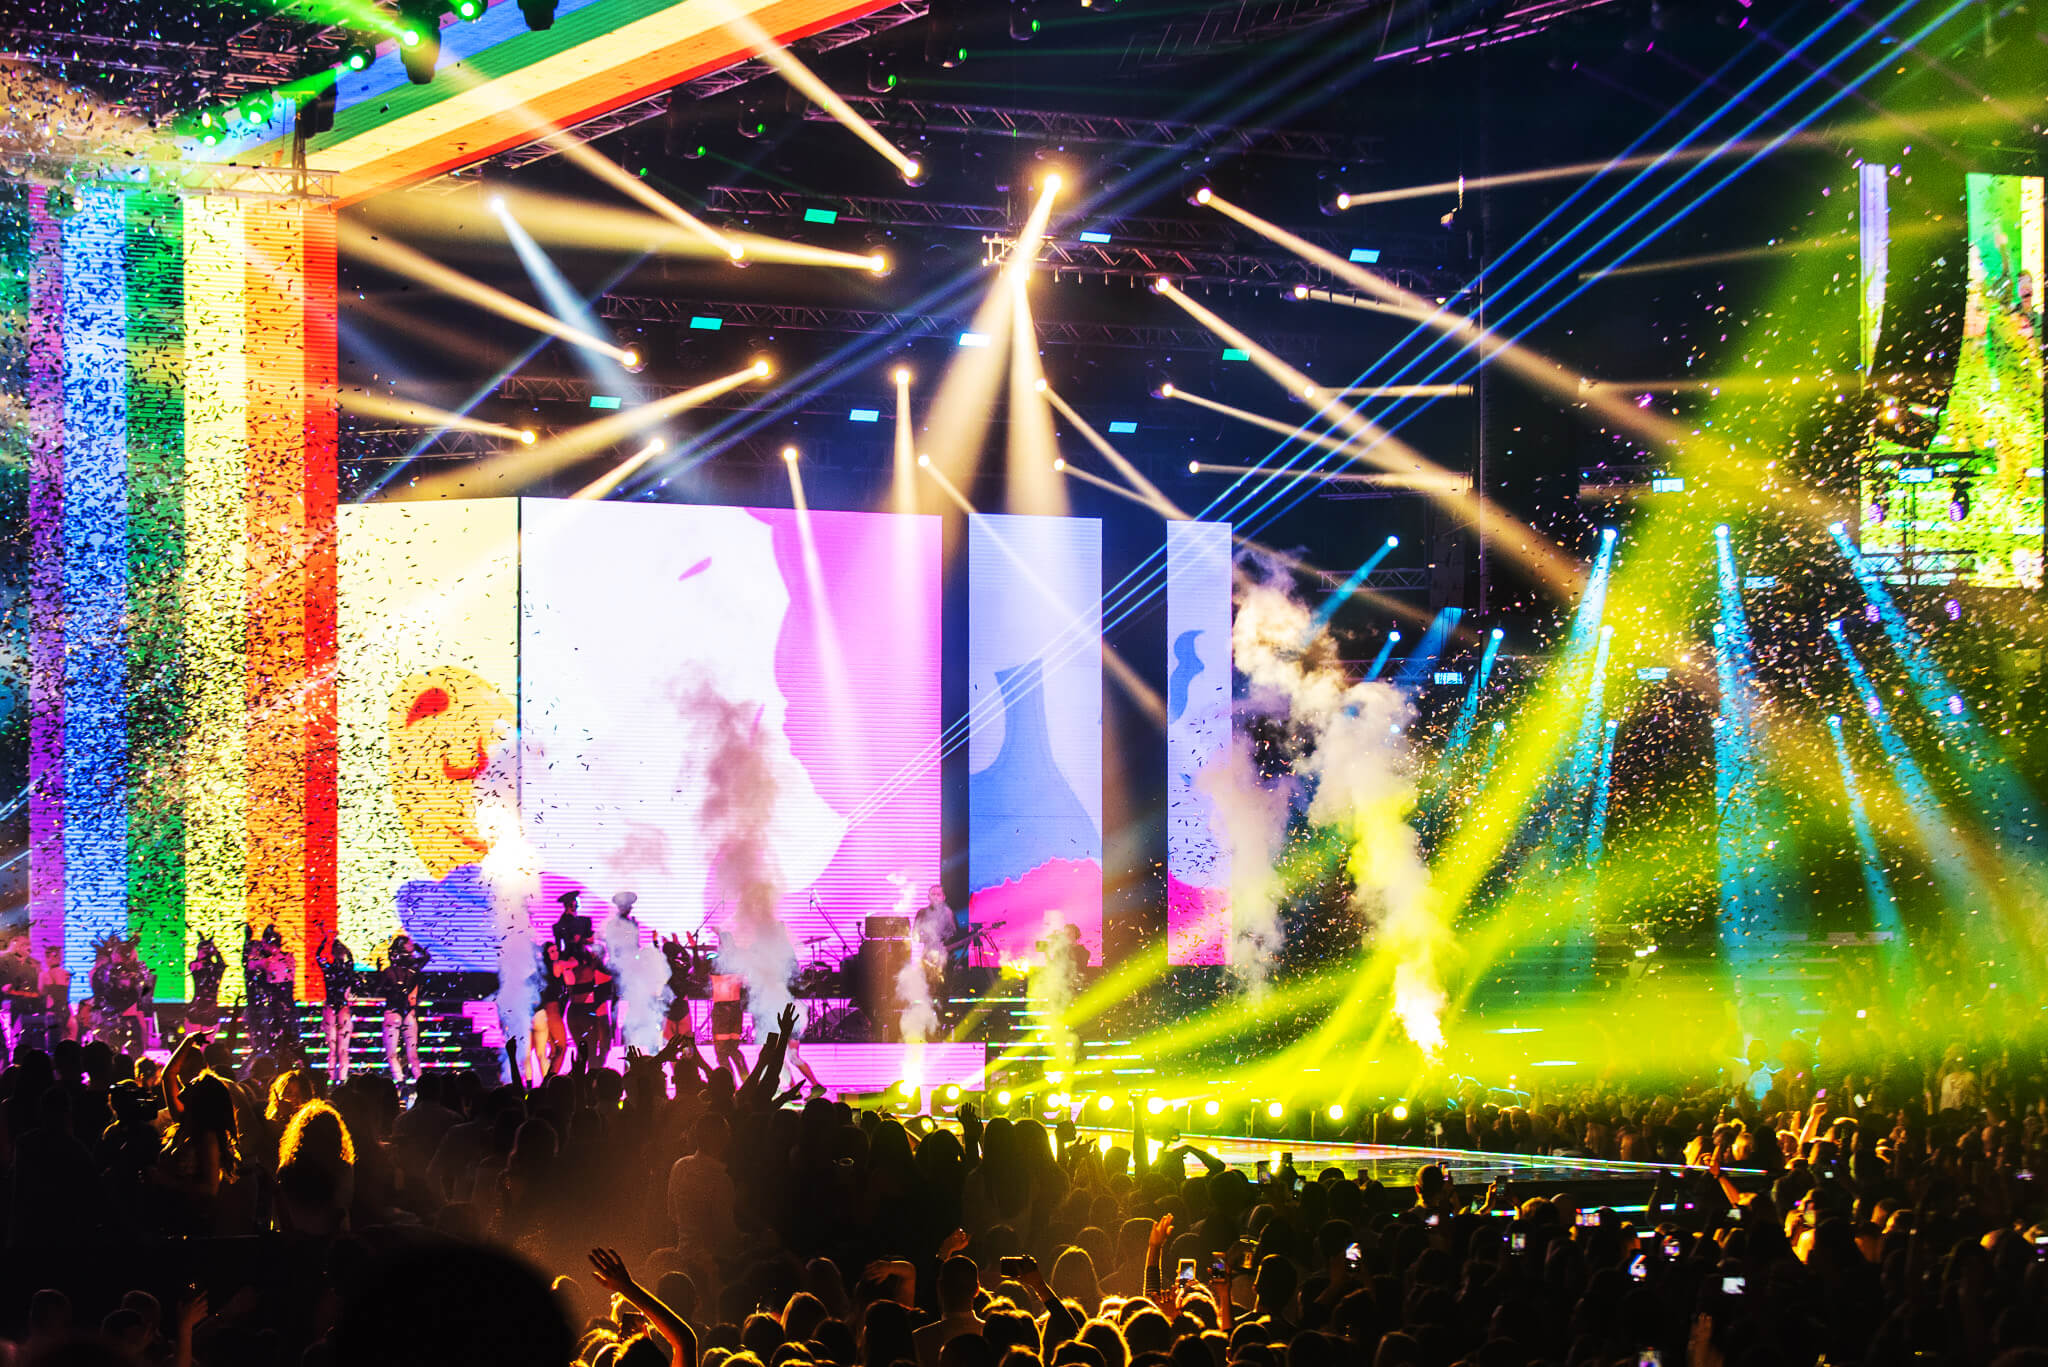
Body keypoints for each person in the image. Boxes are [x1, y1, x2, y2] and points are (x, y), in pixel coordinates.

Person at [381, 933, 431, 1085]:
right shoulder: (413, 970)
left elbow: (379, 988)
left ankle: (400, 1082)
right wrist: (416, 947)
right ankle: (420, 1083)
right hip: (409, 1013)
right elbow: (426, 957)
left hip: (392, 1012)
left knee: (391, 1054)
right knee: (412, 1054)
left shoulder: (389, 972)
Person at [316, 937, 358, 1083]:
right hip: (343, 1008)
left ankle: (333, 1081)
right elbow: (351, 958)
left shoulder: (328, 968)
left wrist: (324, 942)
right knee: (342, 1050)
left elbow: (317, 957)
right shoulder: (348, 969)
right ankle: (341, 1080)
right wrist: (344, 948)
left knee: (332, 1050)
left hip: (331, 1008)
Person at [186, 934, 225, 1033]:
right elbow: (196, 966)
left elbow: (221, 965)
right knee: (193, 1038)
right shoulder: (196, 965)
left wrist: (215, 952)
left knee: (207, 1037)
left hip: (209, 1009)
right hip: (198, 1007)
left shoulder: (215, 968)